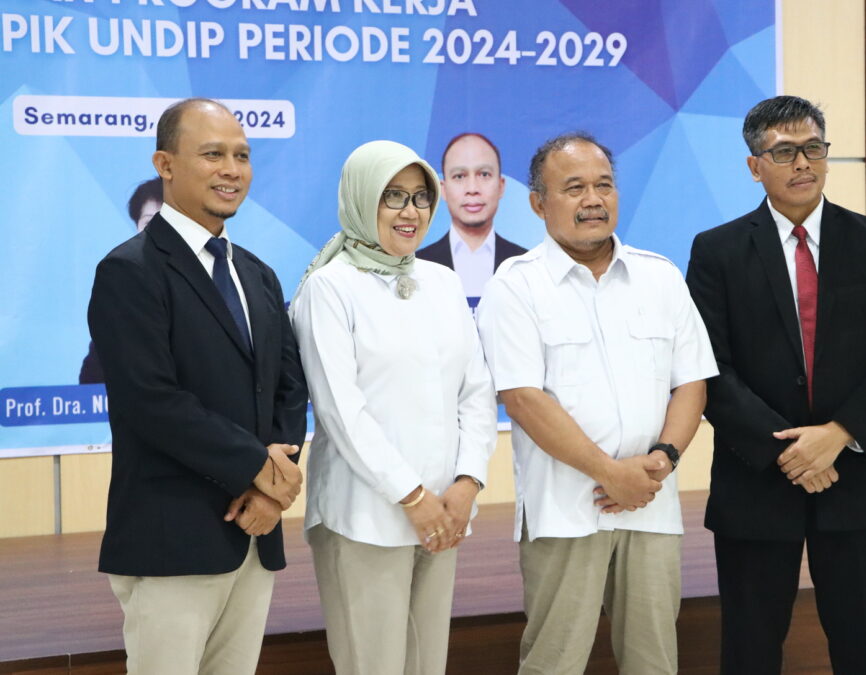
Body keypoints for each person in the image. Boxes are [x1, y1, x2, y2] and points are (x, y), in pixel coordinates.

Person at [685, 95, 866, 674]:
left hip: (856, 478)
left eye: (813, 149)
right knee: (749, 649)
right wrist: (793, 451)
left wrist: (838, 434)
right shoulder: (716, 251)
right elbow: (708, 368)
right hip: (756, 483)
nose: (803, 164)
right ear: (754, 166)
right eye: (785, 151)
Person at [477, 132, 718, 675]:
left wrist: (664, 458)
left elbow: (692, 383)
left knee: (654, 661)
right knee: (554, 662)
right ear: (539, 203)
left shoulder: (659, 276)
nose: (593, 199)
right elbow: (522, 398)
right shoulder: (516, 286)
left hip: (652, 503)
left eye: (604, 185)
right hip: (564, 510)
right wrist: (610, 473)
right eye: (574, 188)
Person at [87, 97, 308, 675]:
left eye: (241, 155)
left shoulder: (256, 272)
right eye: (212, 154)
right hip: (172, 540)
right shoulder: (129, 270)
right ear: (165, 164)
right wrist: (257, 471)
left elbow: (288, 388)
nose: (231, 169)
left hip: (254, 535)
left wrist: (270, 490)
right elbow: (152, 403)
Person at [290, 140, 496, 675]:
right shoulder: (328, 288)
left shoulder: (443, 280)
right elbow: (341, 410)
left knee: (428, 664)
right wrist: (412, 495)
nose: (411, 212)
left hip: (446, 512)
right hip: (366, 513)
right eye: (393, 197)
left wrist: (468, 483)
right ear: (362, 200)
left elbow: (476, 390)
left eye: (421, 197)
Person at [416, 132, 527, 303]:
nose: (472, 188)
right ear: (443, 190)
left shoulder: (524, 265)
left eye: (484, 174)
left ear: (501, 186)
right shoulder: (417, 266)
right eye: (459, 176)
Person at [80, 177, 163, 383]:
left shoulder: (213, 281)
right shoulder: (120, 288)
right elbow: (91, 380)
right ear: (137, 227)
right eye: (149, 221)